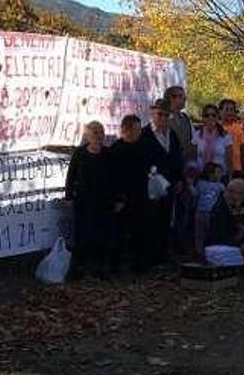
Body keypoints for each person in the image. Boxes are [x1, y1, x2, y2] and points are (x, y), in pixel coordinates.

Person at [65, 121, 115, 279]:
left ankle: (100, 268)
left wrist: (119, 198)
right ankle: (78, 268)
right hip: (83, 201)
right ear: (87, 135)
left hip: (104, 201)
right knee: (81, 235)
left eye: (100, 132)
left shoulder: (109, 154)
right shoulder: (79, 153)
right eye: (94, 132)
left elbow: (116, 177)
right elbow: (71, 176)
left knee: (102, 235)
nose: (98, 136)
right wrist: (68, 196)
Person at [141, 99, 184, 267]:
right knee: (150, 220)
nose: (163, 118)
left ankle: (162, 253)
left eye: (166, 115)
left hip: (170, 184)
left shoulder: (172, 134)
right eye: (160, 114)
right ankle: (149, 256)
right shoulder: (145, 134)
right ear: (152, 114)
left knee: (166, 219)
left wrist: (179, 179)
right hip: (151, 185)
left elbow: (177, 158)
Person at [109, 115, 150, 274]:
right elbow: (112, 178)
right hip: (122, 198)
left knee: (140, 232)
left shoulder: (144, 146)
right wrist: (118, 198)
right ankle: (115, 266)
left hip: (140, 195)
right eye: (136, 129)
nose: (139, 132)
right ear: (126, 130)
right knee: (119, 233)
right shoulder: (116, 150)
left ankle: (139, 264)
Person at [207, 178, 244, 262]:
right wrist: (238, 244)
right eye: (232, 192)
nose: (235, 196)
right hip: (223, 243)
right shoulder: (220, 208)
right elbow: (218, 234)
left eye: (239, 193)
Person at [192, 104, 234, 179]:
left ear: (218, 117)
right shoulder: (197, 135)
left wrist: (230, 178)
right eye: (207, 115)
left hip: (221, 177)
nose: (210, 118)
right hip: (201, 176)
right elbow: (193, 158)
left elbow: (229, 160)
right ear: (203, 118)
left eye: (213, 115)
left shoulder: (225, 136)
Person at [193, 162, 225, 257]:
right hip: (200, 212)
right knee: (199, 234)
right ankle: (199, 252)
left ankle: (211, 252)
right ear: (210, 173)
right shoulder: (200, 183)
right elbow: (195, 195)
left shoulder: (221, 186)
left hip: (212, 214)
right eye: (218, 172)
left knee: (211, 233)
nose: (220, 175)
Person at [164, 85, 196, 163]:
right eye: (181, 96)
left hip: (188, 164)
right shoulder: (164, 120)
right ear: (171, 98)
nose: (185, 99)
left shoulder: (186, 118)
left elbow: (194, 140)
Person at [219, 98, 244, 177]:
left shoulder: (238, 128)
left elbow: (243, 149)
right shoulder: (217, 128)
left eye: (232, 110)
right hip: (219, 167)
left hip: (236, 167)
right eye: (226, 109)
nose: (229, 112)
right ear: (220, 111)